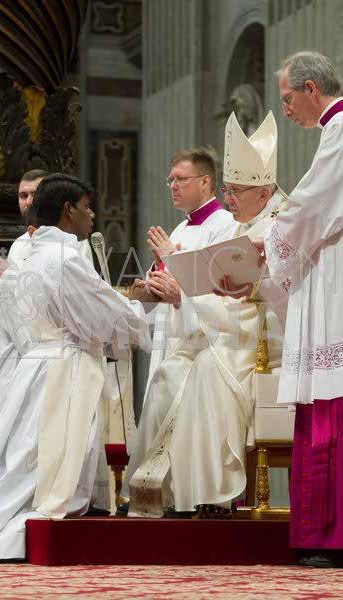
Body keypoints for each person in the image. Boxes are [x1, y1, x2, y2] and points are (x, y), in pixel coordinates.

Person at [0, 174, 151, 563]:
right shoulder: (66, 259)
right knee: (39, 469)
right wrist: (140, 303)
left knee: (23, 460)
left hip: (34, 367)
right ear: (69, 210)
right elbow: (106, 316)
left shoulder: (25, 259)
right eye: (86, 206)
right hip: (63, 373)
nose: (92, 215)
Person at [126, 111, 288, 518]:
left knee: (205, 371)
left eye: (235, 191)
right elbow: (225, 293)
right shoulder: (242, 226)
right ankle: (171, 492)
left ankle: (214, 494)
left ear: (263, 193)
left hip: (266, 343)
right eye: (228, 190)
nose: (227, 199)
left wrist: (188, 296)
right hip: (229, 332)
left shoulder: (277, 228)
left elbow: (262, 300)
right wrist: (185, 290)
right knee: (170, 372)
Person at [256, 51, 343, 568]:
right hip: (327, 267)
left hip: (334, 277)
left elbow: (311, 206)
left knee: (330, 399)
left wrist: (269, 239)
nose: (285, 111)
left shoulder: (341, 131)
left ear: (312, 89)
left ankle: (330, 534)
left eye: (288, 99)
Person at [117, 147, 234, 514]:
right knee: (160, 397)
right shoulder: (181, 229)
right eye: (170, 181)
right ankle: (162, 496)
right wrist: (153, 281)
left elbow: (219, 289)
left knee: (173, 398)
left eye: (180, 179)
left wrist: (173, 267)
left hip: (207, 345)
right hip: (177, 337)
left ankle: (187, 497)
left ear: (205, 181)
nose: (173, 186)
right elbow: (174, 284)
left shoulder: (226, 226)